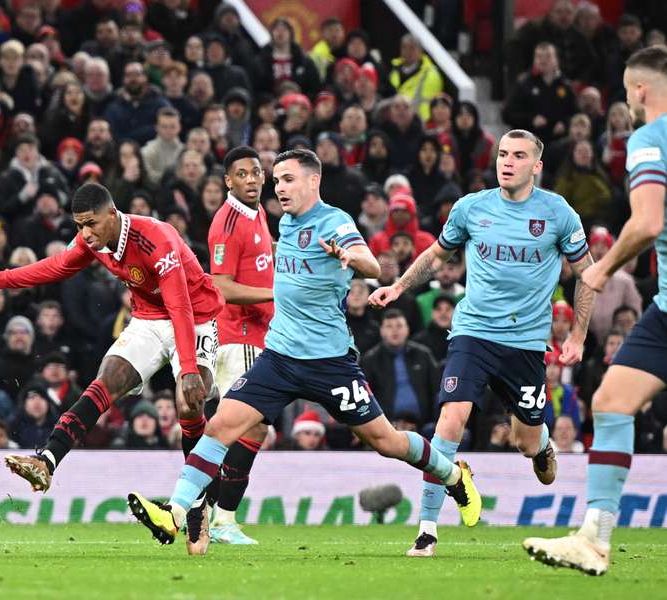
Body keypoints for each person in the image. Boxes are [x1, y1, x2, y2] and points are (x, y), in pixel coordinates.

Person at [127, 148, 481, 547]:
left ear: (314, 181)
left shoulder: (334, 221)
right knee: (221, 426)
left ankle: (452, 474)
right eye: (276, 180)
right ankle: (174, 512)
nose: (278, 187)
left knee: (386, 441)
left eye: (288, 179)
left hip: (329, 363)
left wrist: (349, 255)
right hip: (278, 357)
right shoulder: (287, 223)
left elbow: (370, 264)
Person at [369, 129, 595, 558]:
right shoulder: (471, 208)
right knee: (450, 421)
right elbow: (438, 255)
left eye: (519, 156)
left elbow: (587, 273)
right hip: (473, 332)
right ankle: (428, 530)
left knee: (526, 442)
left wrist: (579, 335)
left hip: (526, 343)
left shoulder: (558, 213)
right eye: (503, 154)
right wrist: (399, 286)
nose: (507, 162)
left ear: (537, 166)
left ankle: (541, 441)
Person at [0, 182, 224, 494]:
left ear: (113, 215)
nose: (86, 233)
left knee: (190, 402)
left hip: (194, 316)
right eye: (79, 226)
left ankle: (196, 500)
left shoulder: (157, 240)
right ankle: (47, 461)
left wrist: (186, 369)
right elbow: (57, 266)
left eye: (91, 223)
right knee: (107, 379)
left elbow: (179, 306)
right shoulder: (94, 240)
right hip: (149, 318)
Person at [523, 45, 667, 577]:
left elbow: (648, 222)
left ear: (640, 90)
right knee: (610, 401)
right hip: (665, 309)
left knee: (611, 404)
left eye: (627, 92)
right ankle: (594, 539)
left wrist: (601, 270)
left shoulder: (651, 137)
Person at [202, 146, 274, 550]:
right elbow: (222, 286)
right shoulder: (226, 223)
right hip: (239, 336)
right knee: (247, 426)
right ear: (227, 181)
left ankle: (205, 507)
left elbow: (263, 255)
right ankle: (218, 515)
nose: (251, 179)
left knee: (236, 427)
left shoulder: (257, 212)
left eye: (256, 172)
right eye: (242, 174)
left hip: (260, 335)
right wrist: (275, 293)